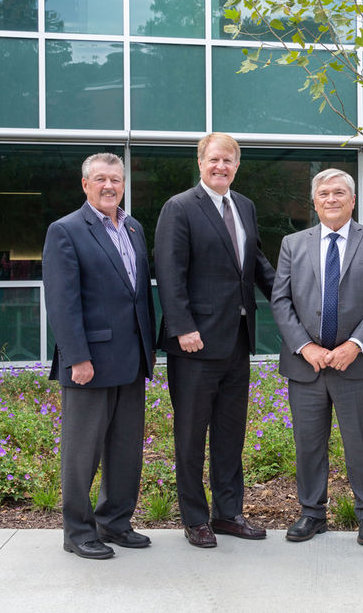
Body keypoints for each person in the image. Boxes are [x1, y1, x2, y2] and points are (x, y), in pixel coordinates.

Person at [155, 133, 275, 548]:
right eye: (213, 159)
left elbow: (256, 264)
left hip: (237, 341)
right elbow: (169, 272)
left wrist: (294, 299)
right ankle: (194, 518)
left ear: (237, 165)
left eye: (228, 160)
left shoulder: (244, 206)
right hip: (195, 344)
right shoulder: (180, 207)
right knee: (190, 435)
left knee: (230, 432)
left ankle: (228, 513)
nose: (221, 166)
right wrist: (182, 327)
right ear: (201, 162)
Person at [271, 168, 363, 546]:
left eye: (339, 192)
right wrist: (305, 346)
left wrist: (355, 345)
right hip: (305, 365)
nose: (331, 199)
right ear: (314, 201)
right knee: (308, 444)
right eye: (324, 193)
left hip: (354, 364)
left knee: (361, 443)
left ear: (353, 200)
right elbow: (280, 299)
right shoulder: (293, 244)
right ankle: (312, 514)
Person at [43, 153, 157, 560]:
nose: (110, 186)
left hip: (131, 359)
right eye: (102, 179)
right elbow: (62, 301)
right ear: (85, 184)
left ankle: (115, 521)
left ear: (124, 185)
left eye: (116, 180)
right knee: (82, 451)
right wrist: (76, 356)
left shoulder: (133, 228)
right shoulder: (67, 230)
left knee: (126, 449)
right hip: (89, 362)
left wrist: (149, 348)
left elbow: (139, 294)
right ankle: (77, 531)